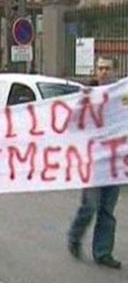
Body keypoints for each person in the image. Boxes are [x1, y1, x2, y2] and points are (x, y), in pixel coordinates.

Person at [67, 57, 122, 268]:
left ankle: (103, 252)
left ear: (114, 71)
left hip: (115, 163)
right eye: (100, 68)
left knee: (107, 210)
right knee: (89, 205)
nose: (104, 72)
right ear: (95, 71)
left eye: (108, 68)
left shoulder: (122, 96)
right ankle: (74, 236)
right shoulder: (86, 97)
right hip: (92, 162)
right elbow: (73, 123)